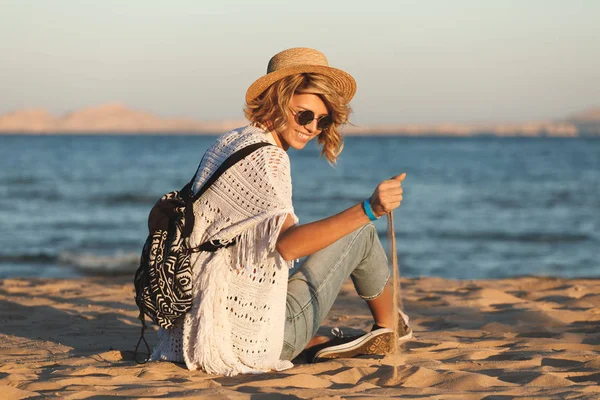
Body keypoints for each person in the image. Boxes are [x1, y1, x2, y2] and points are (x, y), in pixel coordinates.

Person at [150, 47, 411, 376]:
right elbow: (288, 245)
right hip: (250, 339)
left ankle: (321, 339)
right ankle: (390, 327)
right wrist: (369, 209)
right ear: (276, 100)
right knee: (362, 231)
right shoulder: (270, 159)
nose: (312, 127)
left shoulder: (230, 142)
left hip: (197, 326)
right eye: (304, 115)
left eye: (322, 120)